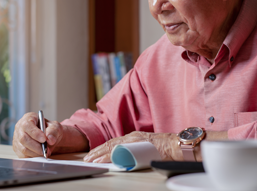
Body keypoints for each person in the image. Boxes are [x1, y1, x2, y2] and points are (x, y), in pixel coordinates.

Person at [13, 0, 257, 163]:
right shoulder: (158, 59)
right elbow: (108, 125)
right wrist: (54, 137)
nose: (156, 7)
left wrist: (173, 145)